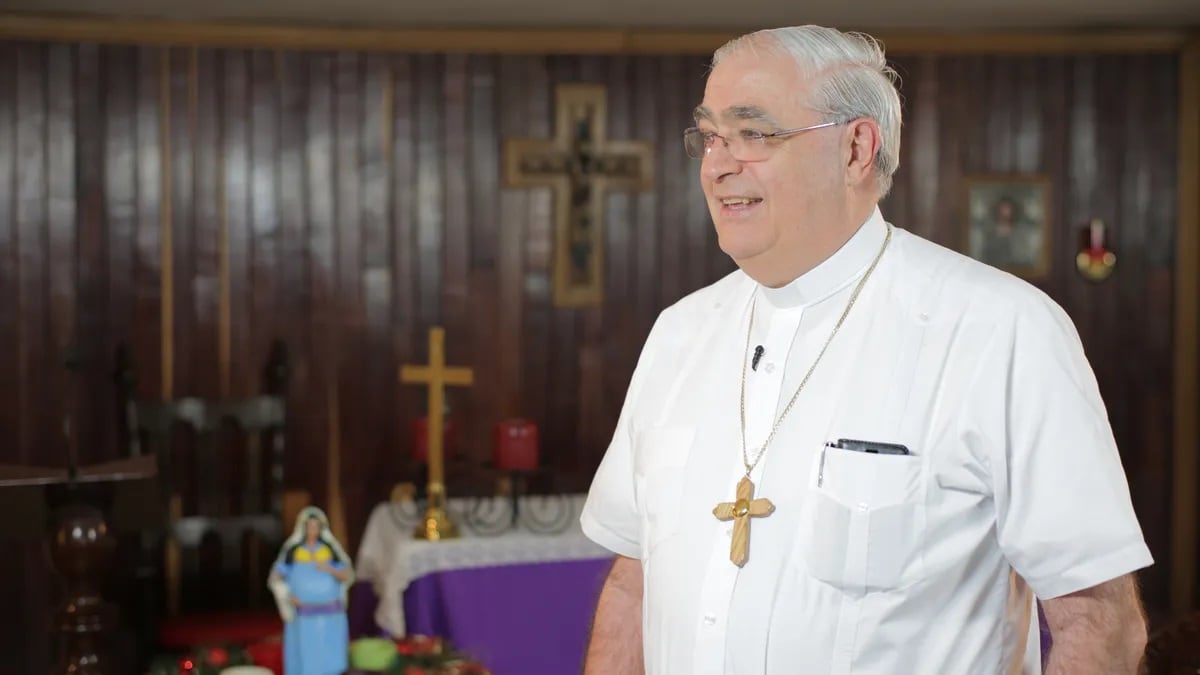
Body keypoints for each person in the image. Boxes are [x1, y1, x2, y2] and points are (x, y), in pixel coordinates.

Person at [579, 25, 1151, 675]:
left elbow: (1098, 620)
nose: (717, 164)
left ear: (856, 148)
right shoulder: (679, 333)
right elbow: (633, 582)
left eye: (755, 133)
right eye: (710, 135)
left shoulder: (1000, 329)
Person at [268, 505, 355, 675]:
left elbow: (347, 575)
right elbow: (276, 578)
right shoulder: (293, 551)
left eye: (316, 526)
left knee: (330, 652)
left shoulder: (330, 550)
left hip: (331, 612)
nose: (312, 530)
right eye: (309, 526)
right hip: (303, 614)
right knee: (306, 653)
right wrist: (287, 595)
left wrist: (329, 569)